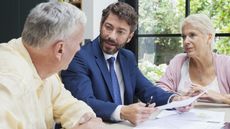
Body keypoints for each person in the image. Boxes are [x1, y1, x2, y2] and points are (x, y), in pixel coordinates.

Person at [61, 2, 192, 125]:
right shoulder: (79, 57)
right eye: (108, 27)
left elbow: (147, 90)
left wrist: (175, 99)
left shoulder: (127, 57)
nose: (112, 36)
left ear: (130, 36)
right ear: (101, 24)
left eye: (120, 32)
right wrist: (122, 112)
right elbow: (83, 102)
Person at [0, 2, 105, 129]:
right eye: (79, 43)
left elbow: (71, 106)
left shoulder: (44, 67)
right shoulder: (10, 85)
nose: (79, 49)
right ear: (60, 49)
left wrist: (86, 119)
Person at [157, 14, 230, 105]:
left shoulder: (226, 64)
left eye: (192, 35)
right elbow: (160, 89)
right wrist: (178, 98)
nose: (186, 41)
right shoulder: (178, 61)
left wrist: (221, 98)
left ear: (209, 37)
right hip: (182, 119)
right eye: (184, 37)